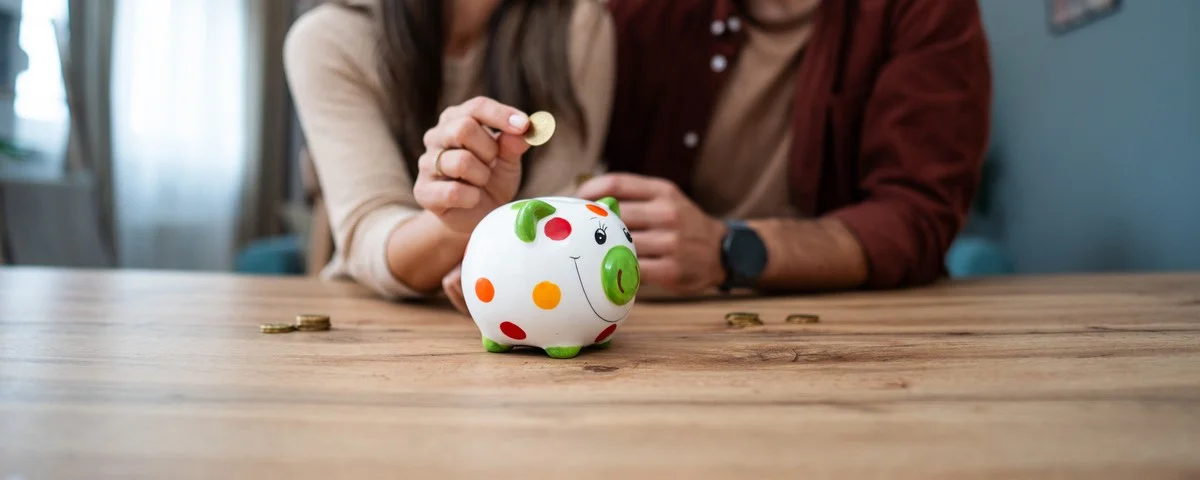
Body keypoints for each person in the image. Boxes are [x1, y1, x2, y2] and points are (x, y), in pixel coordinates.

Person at [577, 0, 993, 296]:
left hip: (852, 323)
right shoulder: (634, 15)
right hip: (651, 324)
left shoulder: (926, 11)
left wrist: (728, 250)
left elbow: (917, 214)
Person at [283, 0, 615, 310]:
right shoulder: (329, 39)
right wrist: (457, 227)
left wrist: (477, 237)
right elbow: (369, 235)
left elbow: (556, 224)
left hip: (525, 309)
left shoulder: (579, 27)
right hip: (373, 311)